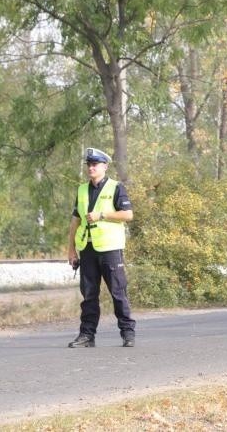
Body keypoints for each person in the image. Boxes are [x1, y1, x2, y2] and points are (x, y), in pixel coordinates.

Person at [67, 147, 136, 348]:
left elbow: (128, 215)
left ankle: (127, 333)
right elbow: (75, 221)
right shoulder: (81, 190)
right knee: (89, 294)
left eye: (95, 164)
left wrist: (102, 215)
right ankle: (87, 335)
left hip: (110, 249)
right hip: (87, 248)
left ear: (105, 166)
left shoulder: (116, 187)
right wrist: (71, 249)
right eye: (89, 165)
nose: (91, 168)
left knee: (118, 292)